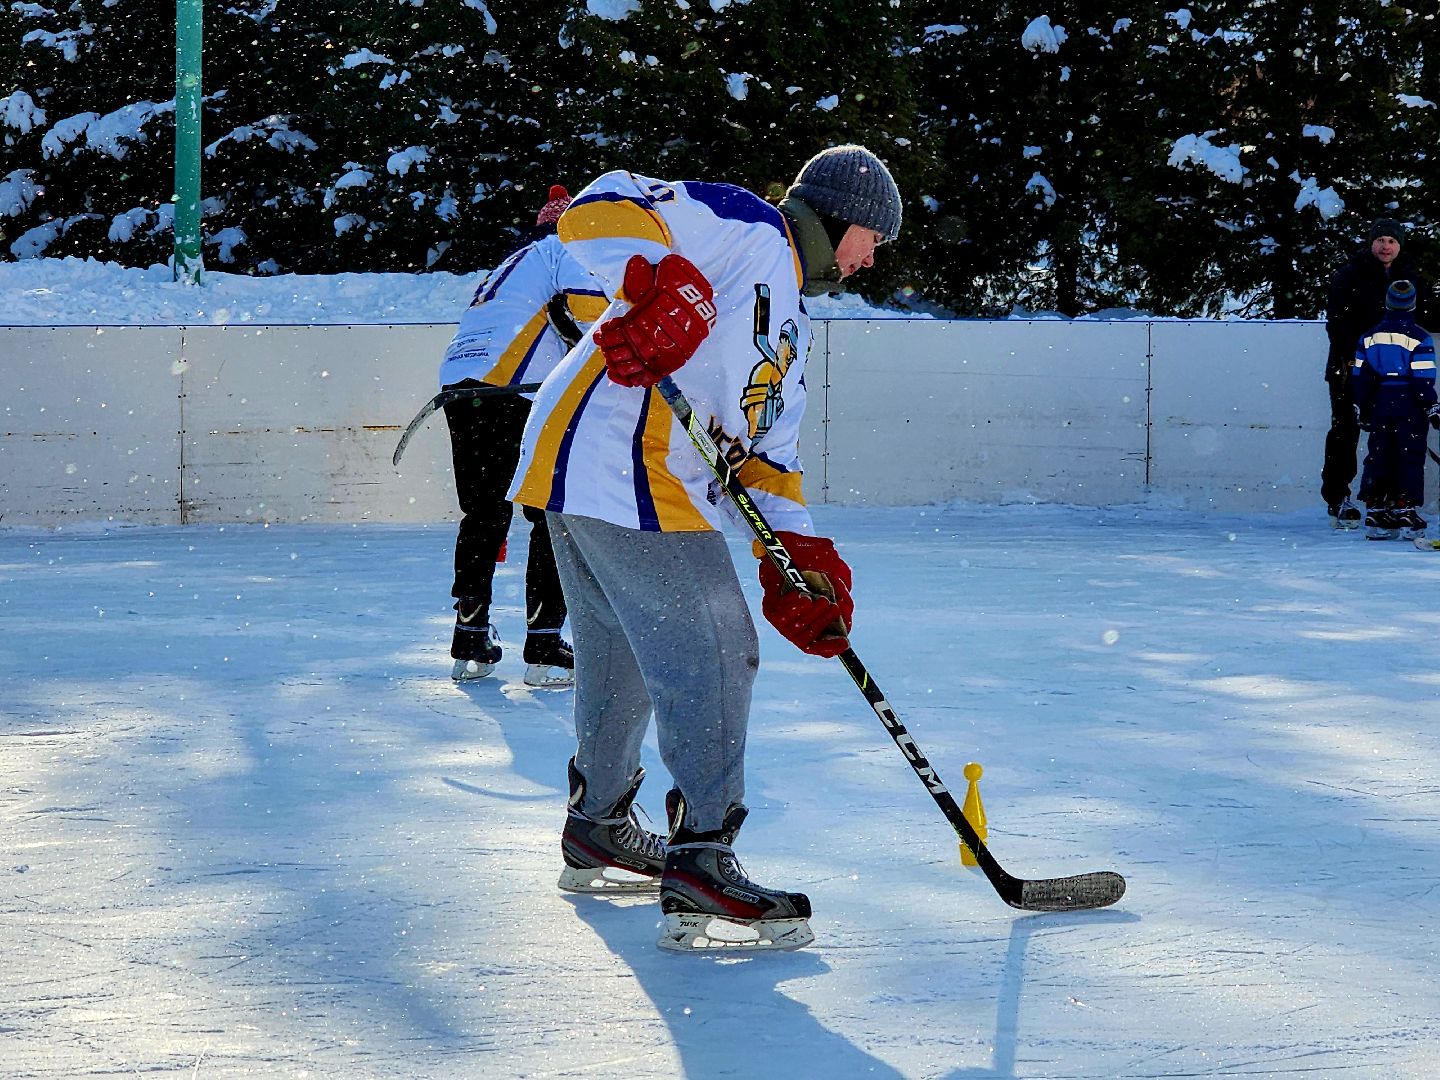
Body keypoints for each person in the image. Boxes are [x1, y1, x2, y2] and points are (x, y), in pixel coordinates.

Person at [506, 146, 902, 951]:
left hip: (582, 466)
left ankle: (598, 823)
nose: (872, 259)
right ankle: (702, 858)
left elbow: (768, 461)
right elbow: (595, 207)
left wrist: (802, 558)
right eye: (874, 239)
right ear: (842, 218)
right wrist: (664, 278)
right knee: (719, 648)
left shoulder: (793, 329)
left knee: (620, 654)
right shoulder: (747, 226)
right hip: (621, 463)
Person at [438, 185, 608, 687]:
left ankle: (470, 638)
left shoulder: (511, 264)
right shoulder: (565, 249)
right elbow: (594, 315)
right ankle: (545, 644)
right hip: (514, 388)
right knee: (549, 513)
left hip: (458, 385)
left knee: (483, 513)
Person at [1322, 218, 1431, 528]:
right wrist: (1358, 359)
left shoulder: (1408, 277)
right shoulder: (1349, 276)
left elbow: (1425, 313)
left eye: (1392, 241)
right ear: (1371, 243)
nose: (1386, 246)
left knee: (1392, 435)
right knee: (1345, 431)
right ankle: (1338, 498)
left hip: (1395, 374)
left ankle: (1390, 499)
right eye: (1381, 240)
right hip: (1350, 369)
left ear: (1400, 246)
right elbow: (1338, 324)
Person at [1351, 280, 1439, 540]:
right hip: (1409, 403)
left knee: (1379, 455)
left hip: (1380, 402)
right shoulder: (1419, 338)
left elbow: (1360, 375)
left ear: (1387, 303)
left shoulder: (1368, 337)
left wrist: (1362, 405)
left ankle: (1376, 508)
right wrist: (1431, 406)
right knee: (1409, 455)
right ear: (1413, 305)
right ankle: (1405, 508)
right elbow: (1422, 378)